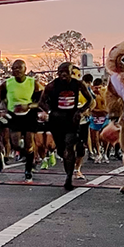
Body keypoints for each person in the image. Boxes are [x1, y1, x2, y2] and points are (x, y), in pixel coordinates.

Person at [40, 62, 92, 190]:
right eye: (61, 72)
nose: (64, 74)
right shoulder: (52, 86)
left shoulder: (78, 84)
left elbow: (90, 100)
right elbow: (41, 101)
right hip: (56, 120)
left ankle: (69, 177)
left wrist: (80, 111)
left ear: (71, 73)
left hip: (71, 120)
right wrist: (50, 112)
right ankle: (67, 166)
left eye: (66, 72)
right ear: (57, 73)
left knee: (70, 145)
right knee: (62, 149)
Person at [1, 60, 42, 183]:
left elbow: (42, 101)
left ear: (25, 69)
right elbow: (0, 98)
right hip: (14, 115)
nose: (17, 70)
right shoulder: (7, 84)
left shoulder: (33, 83)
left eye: (19, 68)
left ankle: (28, 170)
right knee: (15, 144)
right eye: (14, 68)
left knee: (29, 143)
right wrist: (3, 109)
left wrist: (29, 106)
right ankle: (27, 156)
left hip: (29, 115)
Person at [72, 68, 95, 182]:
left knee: (80, 147)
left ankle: (77, 169)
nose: (75, 77)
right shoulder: (59, 88)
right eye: (73, 74)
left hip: (82, 122)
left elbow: (93, 102)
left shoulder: (83, 88)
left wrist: (87, 110)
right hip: (67, 122)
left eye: (78, 75)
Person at [88, 78, 109, 162]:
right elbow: (90, 107)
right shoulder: (91, 94)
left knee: (105, 136)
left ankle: (105, 153)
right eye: (96, 88)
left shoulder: (106, 93)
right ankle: (98, 153)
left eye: (99, 87)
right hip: (94, 117)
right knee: (95, 137)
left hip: (105, 117)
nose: (98, 90)